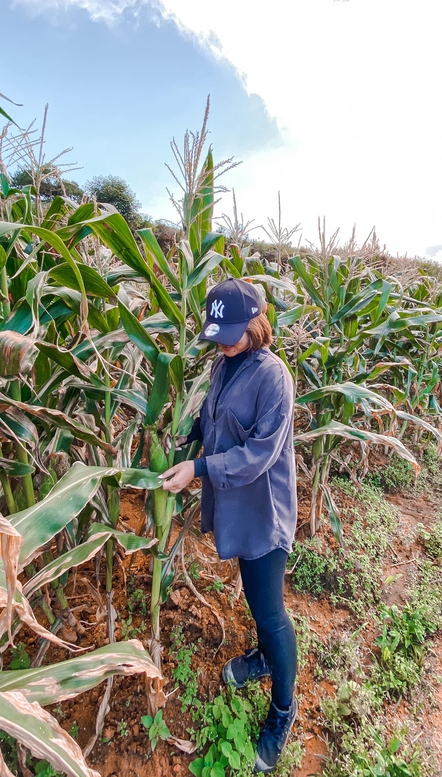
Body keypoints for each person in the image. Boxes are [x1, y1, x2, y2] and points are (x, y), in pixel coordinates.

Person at [159, 277, 298, 774]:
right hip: (236, 505)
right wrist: (185, 434)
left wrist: (197, 469)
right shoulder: (223, 365)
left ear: (256, 324)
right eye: (217, 334)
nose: (222, 342)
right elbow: (211, 418)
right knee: (254, 596)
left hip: (264, 510)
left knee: (269, 609)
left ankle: (283, 709)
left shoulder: (273, 376)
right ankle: (261, 656)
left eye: (232, 333)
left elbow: (259, 454)